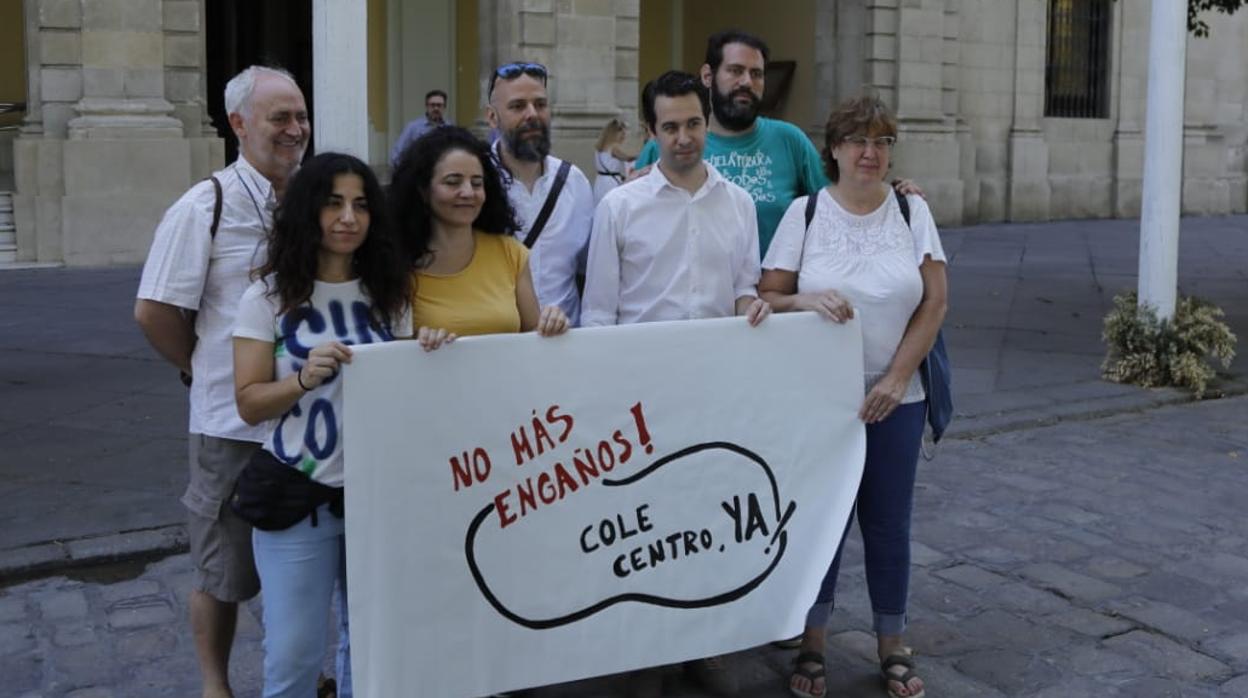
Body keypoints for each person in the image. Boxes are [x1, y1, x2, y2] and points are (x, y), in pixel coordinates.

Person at [581, 70, 770, 698]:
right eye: (670, 127)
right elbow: (599, 315)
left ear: (706, 121)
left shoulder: (737, 204)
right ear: (649, 131)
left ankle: (702, 645)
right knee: (646, 530)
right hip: (640, 400)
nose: (685, 138)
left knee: (706, 521)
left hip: (714, 394)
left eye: (694, 124)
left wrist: (751, 306)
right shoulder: (619, 207)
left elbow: (745, 286)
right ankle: (644, 653)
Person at [758, 95, 947, 698]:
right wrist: (806, 301)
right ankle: (812, 642)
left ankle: (893, 643)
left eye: (884, 142)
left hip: (898, 395)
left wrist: (897, 378)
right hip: (822, 396)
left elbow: (935, 301)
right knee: (822, 521)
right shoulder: (805, 213)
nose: (872, 153)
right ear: (834, 148)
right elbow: (768, 296)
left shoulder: (912, 210)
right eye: (860, 141)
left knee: (889, 523)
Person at [135, 65, 309, 698]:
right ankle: (216, 686)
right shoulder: (203, 206)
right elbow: (154, 311)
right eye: (279, 118)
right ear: (239, 124)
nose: (295, 130)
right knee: (222, 569)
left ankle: (306, 670)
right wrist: (200, 369)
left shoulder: (317, 201)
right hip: (231, 425)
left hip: (313, 427)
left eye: (300, 116)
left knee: (306, 563)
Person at [232, 151, 410, 698]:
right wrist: (302, 380)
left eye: (360, 205)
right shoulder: (266, 298)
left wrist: (429, 351)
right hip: (297, 499)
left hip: (377, 500)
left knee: (372, 647)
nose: (348, 218)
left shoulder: (390, 295)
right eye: (333, 204)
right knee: (292, 654)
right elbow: (248, 402)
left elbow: (409, 396)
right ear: (309, 211)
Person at [632, 30, 827, 257]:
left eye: (756, 74)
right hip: (691, 287)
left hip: (776, 288)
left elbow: (831, 213)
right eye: (735, 71)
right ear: (707, 76)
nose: (747, 82)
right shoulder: (666, 146)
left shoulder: (791, 141)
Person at [390, 125, 569, 349]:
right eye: (452, 182)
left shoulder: (510, 252)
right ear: (423, 191)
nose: (468, 192)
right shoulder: (398, 265)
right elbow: (394, 352)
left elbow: (533, 336)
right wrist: (417, 346)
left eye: (476, 183)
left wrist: (553, 323)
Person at [485, 62, 594, 326]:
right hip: (497, 344)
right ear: (492, 117)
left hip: (564, 346)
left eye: (540, 104)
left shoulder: (574, 183)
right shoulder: (476, 184)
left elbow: (588, 273)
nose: (532, 114)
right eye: (517, 106)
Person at [390, 89, 451, 167]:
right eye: (432, 105)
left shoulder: (449, 127)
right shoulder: (413, 127)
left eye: (439, 105)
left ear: (444, 107)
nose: (436, 108)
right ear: (427, 106)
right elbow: (396, 154)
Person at [592, 117, 637, 204]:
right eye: (622, 134)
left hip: (600, 181)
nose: (623, 136)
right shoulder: (613, 147)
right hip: (611, 182)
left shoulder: (598, 149)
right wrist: (641, 156)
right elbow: (627, 158)